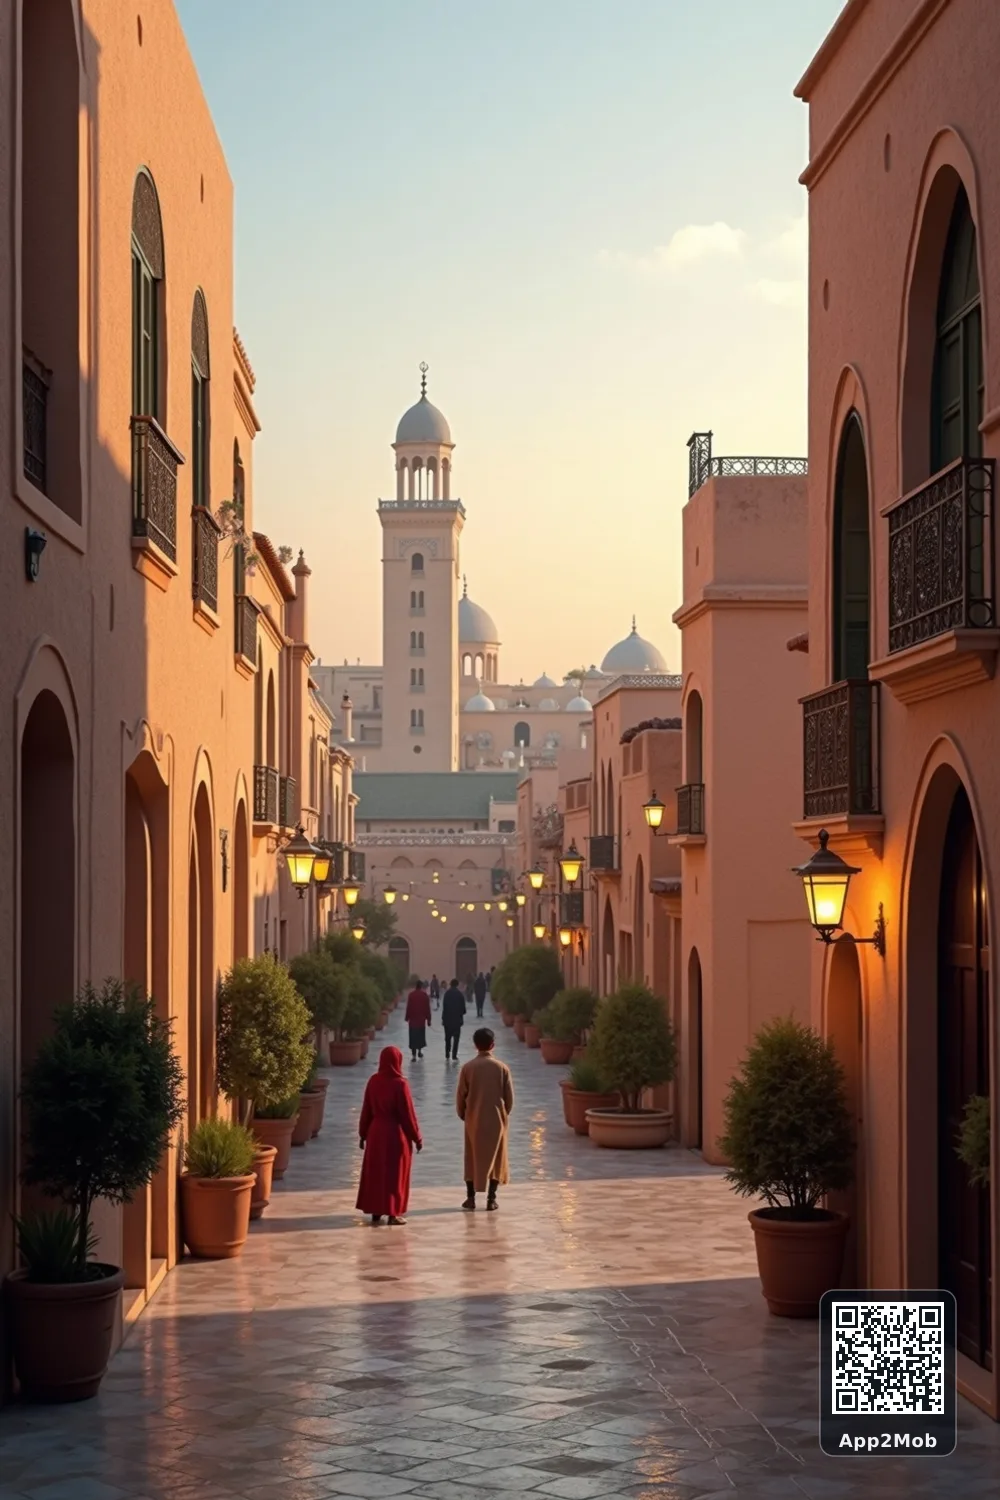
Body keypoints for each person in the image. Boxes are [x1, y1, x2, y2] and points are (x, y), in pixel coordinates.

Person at [356, 1046, 422, 1226]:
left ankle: (376, 1211)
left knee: (376, 1173)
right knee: (395, 1174)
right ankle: (393, 1213)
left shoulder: (373, 1081)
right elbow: (407, 1115)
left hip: (376, 1132)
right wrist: (417, 1137)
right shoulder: (400, 1084)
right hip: (395, 1134)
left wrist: (362, 1134)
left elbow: (366, 1110)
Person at [456, 1027, 514, 1211]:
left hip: (474, 1119)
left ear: (475, 1045)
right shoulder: (502, 1068)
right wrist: (504, 1115)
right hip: (496, 1119)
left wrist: (464, 1114)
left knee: (472, 1157)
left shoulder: (468, 1068)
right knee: (496, 1159)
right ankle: (491, 1199)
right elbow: (509, 1099)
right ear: (493, 1044)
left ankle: (471, 1198)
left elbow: (460, 1097)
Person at [405, 979, 432, 1060]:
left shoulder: (411, 995)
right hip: (421, 1021)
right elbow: (427, 1009)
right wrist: (429, 1020)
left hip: (413, 1021)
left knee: (413, 1038)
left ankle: (413, 1055)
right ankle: (419, 1052)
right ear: (421, 986)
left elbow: (408, 1007)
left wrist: (407, 1017)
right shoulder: (424, 996)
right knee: (420, 1037)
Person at [441, 977, 467, 1061]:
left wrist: (443, 1018)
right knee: (456, 1039)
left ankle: (447, 1053)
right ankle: (454, 1055)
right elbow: (463, 1009)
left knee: (447, 1038)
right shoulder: (460, 994)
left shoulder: (447, 994)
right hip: (457, 1020)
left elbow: (444, 1007)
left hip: (447, 1020)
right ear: (457, 985)